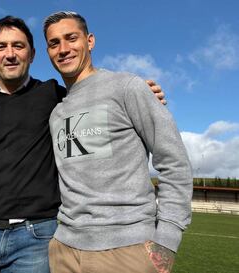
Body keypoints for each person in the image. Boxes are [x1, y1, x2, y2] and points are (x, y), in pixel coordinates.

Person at [0, 15, 166, 273]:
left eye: (18, 46)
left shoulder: (51, 93)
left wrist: (141, 92)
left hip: (37, 237)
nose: (10, 54)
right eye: (1, 47)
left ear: (33, 54)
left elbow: (94, 94)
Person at [43, 11, 193, 273]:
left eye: (71, 38)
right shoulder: (56, 112)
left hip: (126, 251)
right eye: (54, 43)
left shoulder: (127, 87)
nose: (63, 49)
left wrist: (167, 240)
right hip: (64, 251)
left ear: (90, 41)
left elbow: (173, 161)